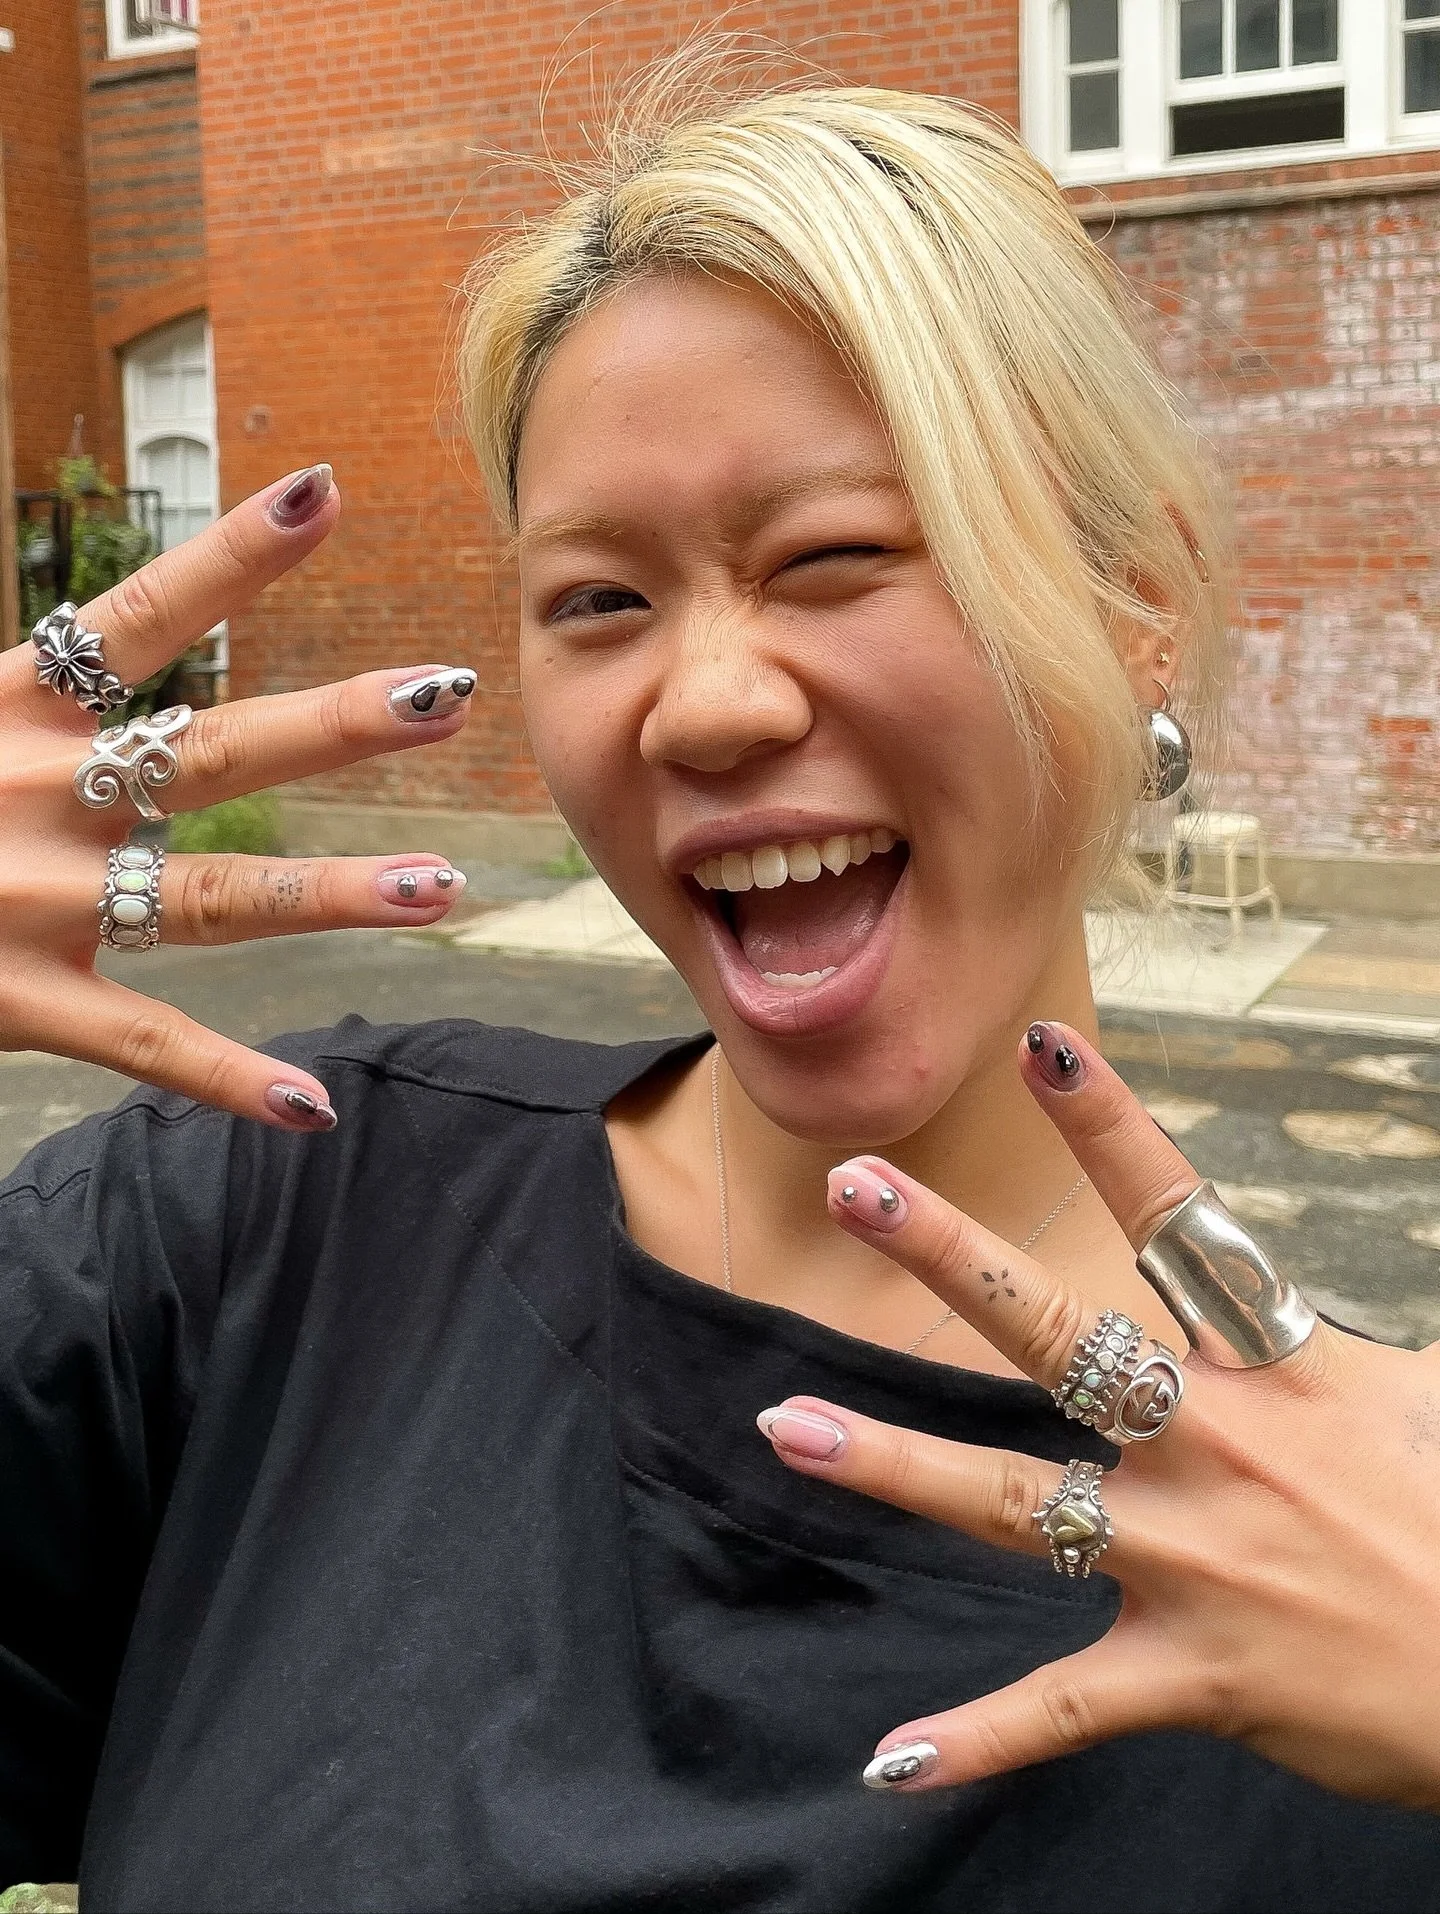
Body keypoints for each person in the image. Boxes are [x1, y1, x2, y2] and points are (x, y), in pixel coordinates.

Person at [1, 68, 1438, 1913]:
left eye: (832, 559)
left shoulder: (1376, 1556)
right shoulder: (258, 1230)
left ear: (1134, 600)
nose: (708, 703)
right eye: (598, 602)